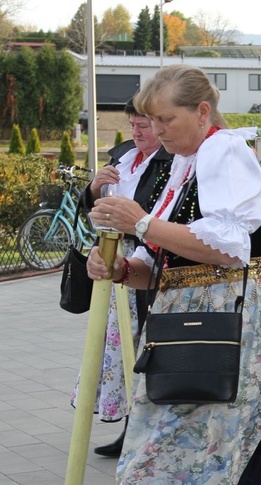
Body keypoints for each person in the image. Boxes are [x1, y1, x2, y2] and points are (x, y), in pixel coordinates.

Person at [85, 64, 261, 484]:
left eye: (165, 119)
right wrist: (123, 268)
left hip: (231, 317)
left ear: (201, 111)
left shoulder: (225, 151)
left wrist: (140, 223)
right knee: (169, 451)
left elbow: (231, 247)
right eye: (152, 119)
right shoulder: (182, 164)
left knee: (219, 447)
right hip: (185, 318)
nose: (157, 130)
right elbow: (168, 263)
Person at [70, 98, 173, 458]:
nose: (137, 132)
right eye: (133, 124)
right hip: (116, 260)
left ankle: (141, 429)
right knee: (119, 347)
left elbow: (159, 214)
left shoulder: (171, 162)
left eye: (143, 124)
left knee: (144, 346)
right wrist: (95, 189)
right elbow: (95, 213)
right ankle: (131, 426)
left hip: (146, 263)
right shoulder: (125, 157)